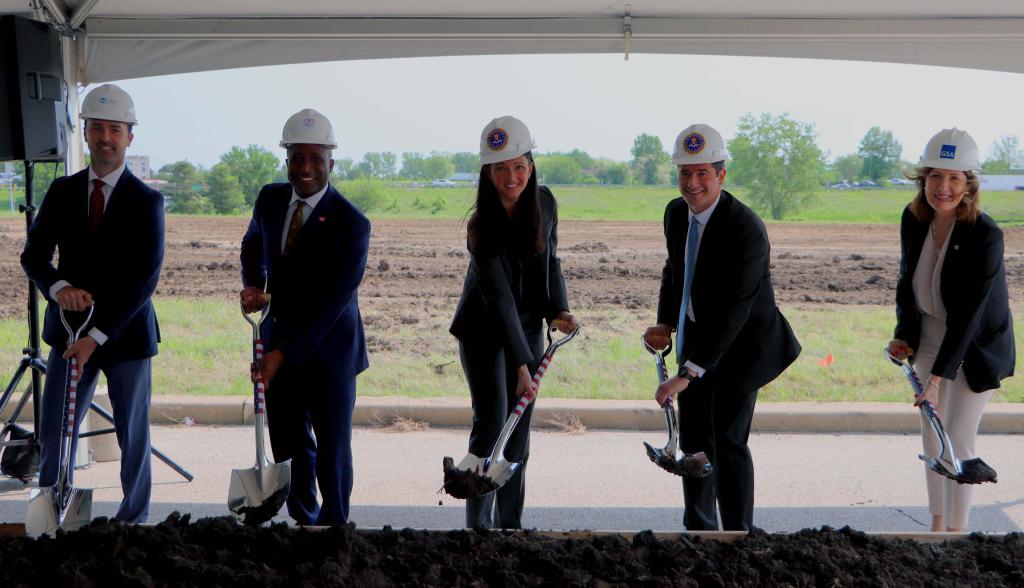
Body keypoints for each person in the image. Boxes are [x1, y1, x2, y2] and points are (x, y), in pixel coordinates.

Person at [643, 123, 800, 531]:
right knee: (695, 442)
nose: (692, 184)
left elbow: (735, 311)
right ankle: (699, 532)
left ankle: (736, 537)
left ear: (721, 176)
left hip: (744, 346)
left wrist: (689, 373)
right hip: (698, 335)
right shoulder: (676, 214)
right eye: (685, 173)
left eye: (702, 174)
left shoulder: (745, 228)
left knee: (727, 442)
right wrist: (665, 322)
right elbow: (674, 269)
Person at [21, 84, 165, 522]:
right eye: (98, 128)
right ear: (84, 132)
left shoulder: (147, 201)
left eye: (115, 130)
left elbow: (145, 280)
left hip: (125, 333)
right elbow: (34, 256)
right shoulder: (63, 191)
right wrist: (59, 286)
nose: (106, 137)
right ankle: (52, 510)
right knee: (56, 429)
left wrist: (97, 336)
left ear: (129, 137)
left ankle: (132, 520)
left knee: (132, 434)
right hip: (69, 331)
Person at [239, 108, 370, 525]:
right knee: (290, 444)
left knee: (332, 449)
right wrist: (255, 284)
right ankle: (303, 521)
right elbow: (252, 245)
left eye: (316, 159)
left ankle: (334, 527)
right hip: (278, 338)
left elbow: (334, 302)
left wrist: (282, 354)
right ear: (287, 160)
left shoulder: (352, 223)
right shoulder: (270, 199)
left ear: (331, 162)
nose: (306, 168)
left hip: (331, 350)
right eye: (298, 158)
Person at [449, 116, 577, 529]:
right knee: (492, 419)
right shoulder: (479, 227)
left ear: (531, 165)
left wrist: (559, 310)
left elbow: (551, 260)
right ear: (487, 173)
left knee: (519, 431)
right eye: (501, 168)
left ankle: (510, 527)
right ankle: (478, 527)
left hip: (528, 326)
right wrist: (523, 366)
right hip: (483, 330)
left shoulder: (545, 202)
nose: (512, 177)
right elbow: (500, 300)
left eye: (519, 166)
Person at [887, 128, 1014, 532]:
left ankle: (957, 535)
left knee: (957, 437)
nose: (943, 187)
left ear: (969, 185)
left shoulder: (986, 234)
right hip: (928, 335)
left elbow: (970, 316)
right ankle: (937, 527)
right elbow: (908, 280)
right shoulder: (913, 218)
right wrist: (904, 333)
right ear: (923, 179)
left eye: (954, 178)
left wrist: (939, 378)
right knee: (933, 436)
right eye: (935, 177)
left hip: (974, 345)